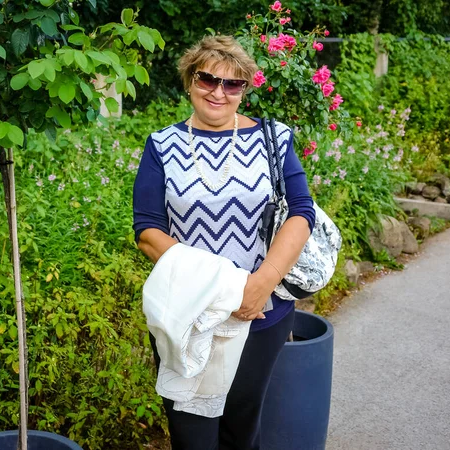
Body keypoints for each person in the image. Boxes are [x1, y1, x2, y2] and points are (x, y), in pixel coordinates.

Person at [132, 35, 316, 450]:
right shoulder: (162, 145)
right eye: (208, 79)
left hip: (260, 312)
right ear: (189, 81)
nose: (219, 92)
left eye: (232, 84)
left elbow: (301, 213)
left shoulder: (275, 138)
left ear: (244, 89)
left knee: (240, 428)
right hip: (187, 313)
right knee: (190, 431)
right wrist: (219, 286)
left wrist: (260, 285)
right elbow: (147, 230)